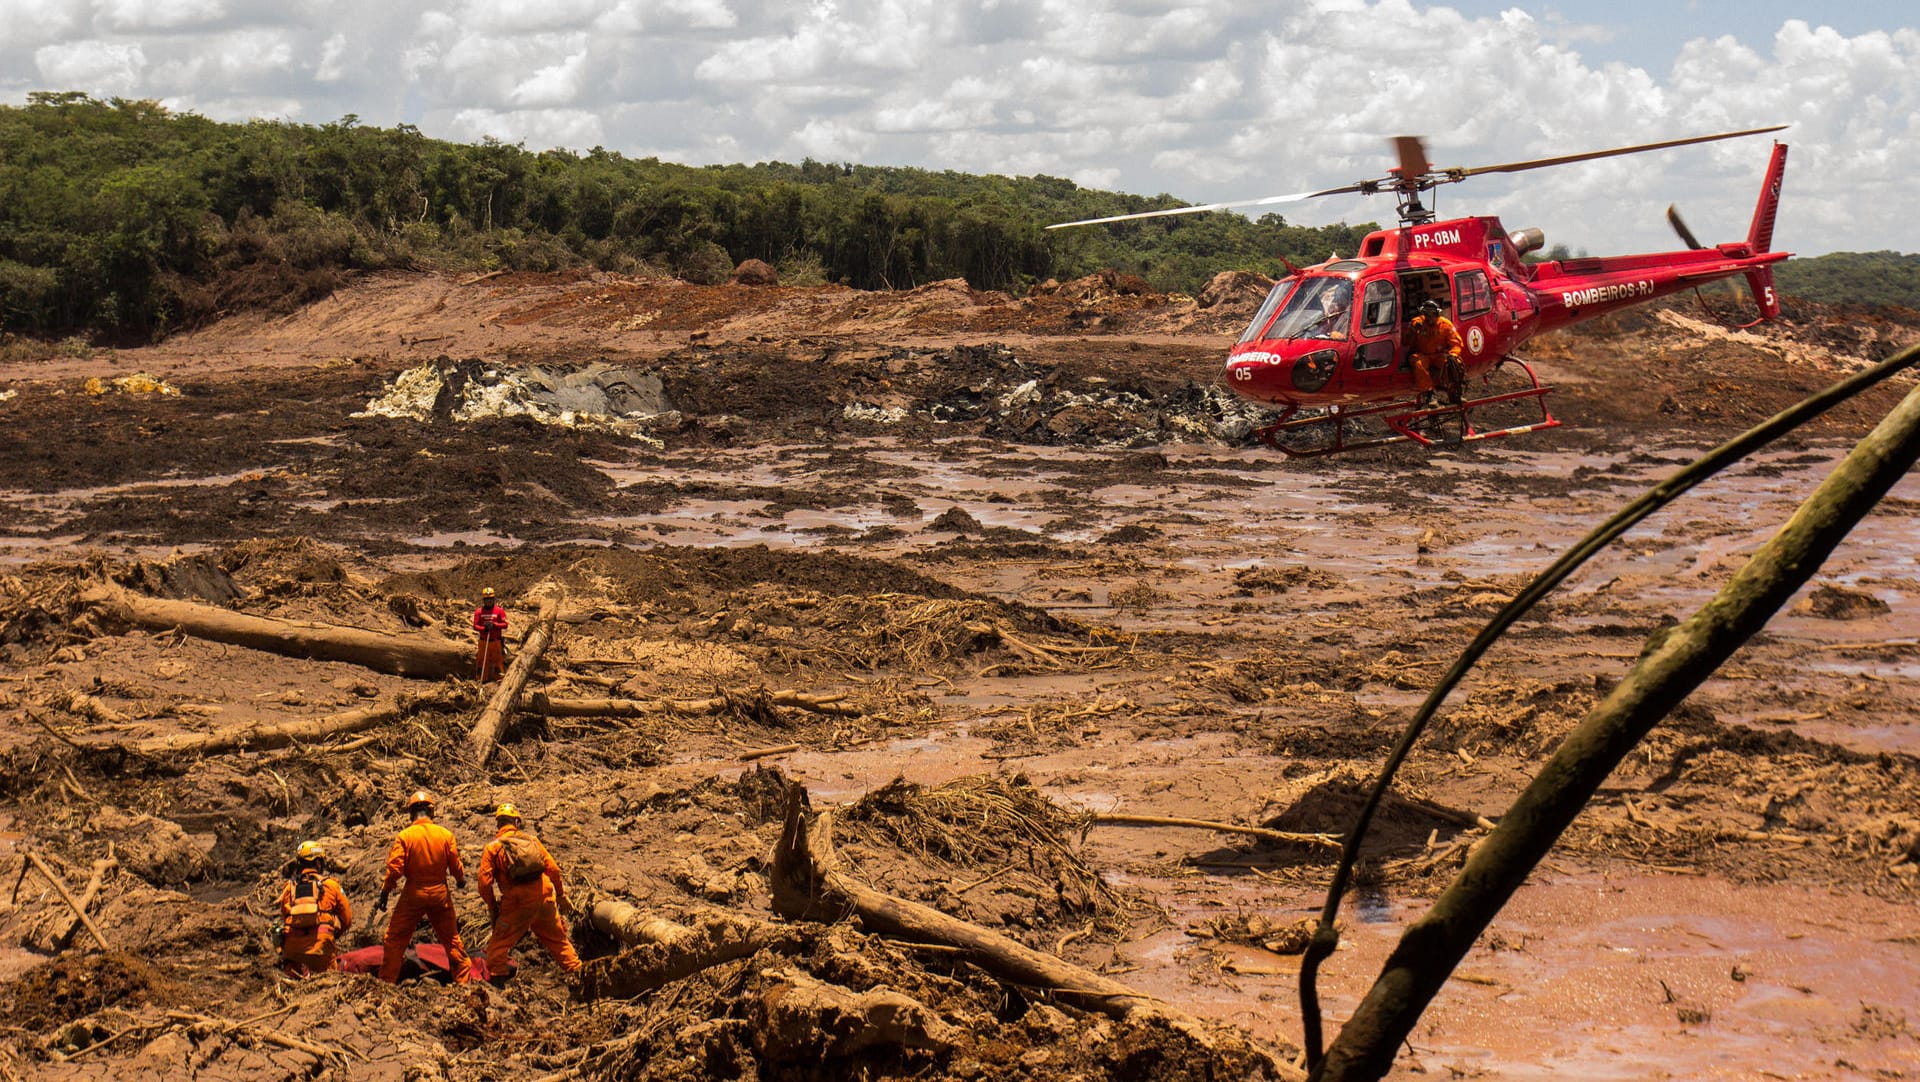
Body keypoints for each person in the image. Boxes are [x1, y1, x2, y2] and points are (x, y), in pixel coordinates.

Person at [478, 802, 582, 985]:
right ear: (517, 822)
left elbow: (484, 884)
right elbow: (554, 870)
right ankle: (581, 975)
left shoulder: (493, 848)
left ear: (498, 824)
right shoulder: (532, 840)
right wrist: (561, 894)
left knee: (497, 948)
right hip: (545, 897)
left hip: (517, 903)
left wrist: (493, 907)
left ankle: (499, 989)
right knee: (559, 942)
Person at [375, 790, 473, 984]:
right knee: (452, 940)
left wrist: (385, 892)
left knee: (395, 940)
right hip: (440, 894)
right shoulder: (445, 835)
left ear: (411, 813)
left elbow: (395, 869)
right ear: (431, 811)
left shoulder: (405, 836)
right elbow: (455, 865)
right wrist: (460, 880)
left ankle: (386, 983)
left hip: (414, 894)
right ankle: (464, 983)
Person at [276, 840, 352, 976]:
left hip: (292, 948)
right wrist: (334, 934)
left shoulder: (288, 888)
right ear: (318, 863)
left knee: (291, 975)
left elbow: (285, 917)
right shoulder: (331, 885)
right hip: (321, 946)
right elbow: (347, 919)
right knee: (330, 976)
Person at [1409, 299, 1463, 406]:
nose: (1429, 317)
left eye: (1432, 314)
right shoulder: (1416, 323)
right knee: (1417, 362)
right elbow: (1406, 342)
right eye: (1426, 314)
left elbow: (1456, 343)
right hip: (1423, 355)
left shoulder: (1446, 325)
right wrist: (1413, 331)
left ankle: (1454, 392)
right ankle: (1429, 394)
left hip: (1439, 355)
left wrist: (1453, 354)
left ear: (1437, 313)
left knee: (1454, 362)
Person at [473, 587, 508, 683]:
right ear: (484, 600)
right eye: (487, 599)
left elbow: (505, 625)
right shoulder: (479, 612)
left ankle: (499, 680)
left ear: (493, 599)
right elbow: (475, 626)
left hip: (496, 641)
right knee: (481, 661)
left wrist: (495, 625)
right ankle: (481, 680)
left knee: (498, 661)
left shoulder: (499, 611)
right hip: (483, 642)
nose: (489, 601)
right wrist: (484, 628)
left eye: (491, 599)